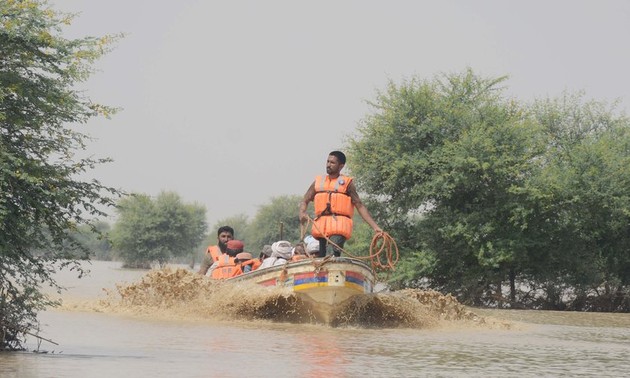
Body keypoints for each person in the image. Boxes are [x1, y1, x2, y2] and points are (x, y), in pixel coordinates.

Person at [299, 151, 382, 257]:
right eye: (328, 161)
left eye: (332, 162)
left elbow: (359, 205)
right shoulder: (318, 182)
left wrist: (375, 227)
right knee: (321, 257)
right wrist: (302, 213)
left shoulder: (347, 183)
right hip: (321, 226)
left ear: (341, 166)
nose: (328, 164)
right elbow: (305, 200)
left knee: (332, 255)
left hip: (339, 225)